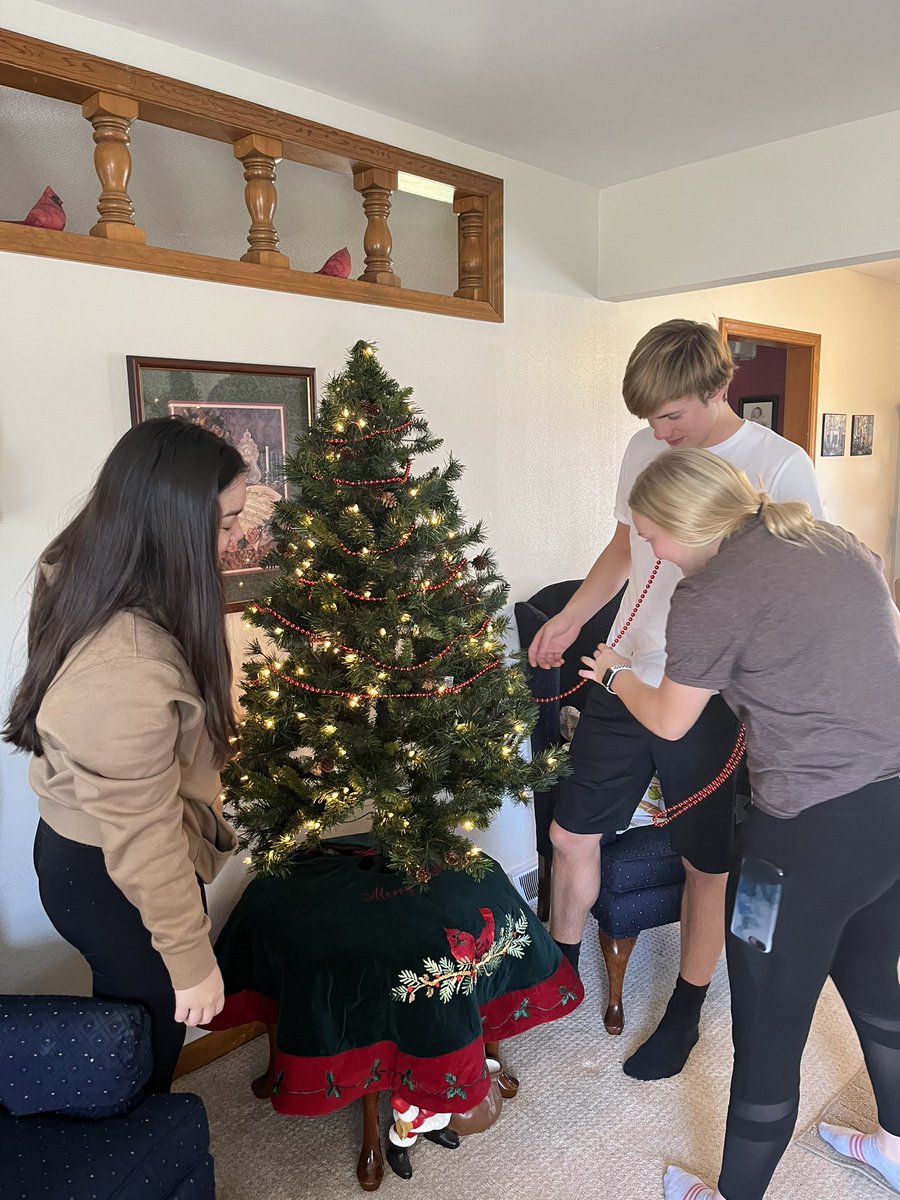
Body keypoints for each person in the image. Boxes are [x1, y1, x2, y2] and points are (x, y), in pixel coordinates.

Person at [581, 448, 900, 1200]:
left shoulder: (712, 593)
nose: (652, 552)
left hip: (799, 842)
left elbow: (669, 717)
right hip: (890, 815)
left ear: (686, 524)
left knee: (764, 1025)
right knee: (874, 986)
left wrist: (615, 672)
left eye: (651, 536)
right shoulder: (831, 539)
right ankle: (897, 1146)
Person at [528, 319, 823, 1081]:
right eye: (649, 420)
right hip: (622, 670)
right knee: (570, 833)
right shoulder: (644, 447)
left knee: (706, 862)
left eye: (672, 417)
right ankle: (557, 977)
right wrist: (571, 617)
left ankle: (687, 1010)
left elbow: (794, 592)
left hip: (711, 695)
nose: (659, 435)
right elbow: (625, 547)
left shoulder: (778, 465)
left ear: (718, 388)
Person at [3, 417, 247, 1093]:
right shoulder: (124, 660)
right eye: (228, 523)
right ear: (172, 526)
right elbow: (142, 834)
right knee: (143, 1052)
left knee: (127, 1037)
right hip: (115, 872)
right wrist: (190, 960)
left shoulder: (90, 569)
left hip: (96, 851)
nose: (237, 540)